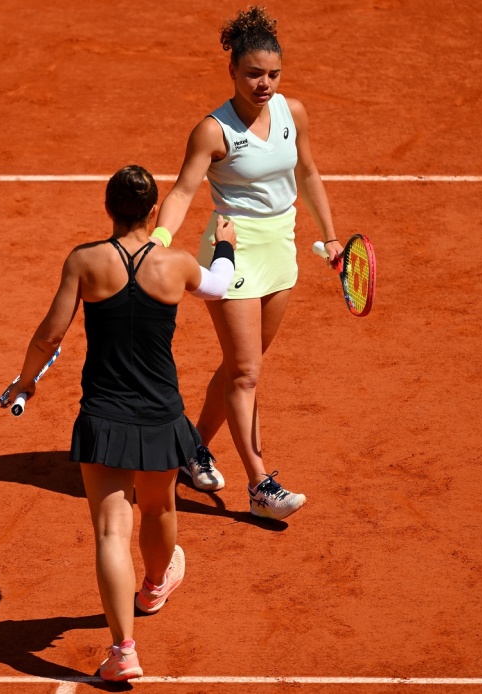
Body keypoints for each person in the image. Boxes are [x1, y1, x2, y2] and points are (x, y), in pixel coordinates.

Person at [2, 165, 237, 682]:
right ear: (153, 211)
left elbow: (49, 335)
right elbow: (220, 286)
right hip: (161, 414)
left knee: (112, 530)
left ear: (108, 208)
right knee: (158, 508)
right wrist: (224, 244)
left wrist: (25, 381)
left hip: (104, 416)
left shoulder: (84, 262)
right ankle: (155, 585)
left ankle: (123, 650)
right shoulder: (175, 264)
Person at [151, 6, 340, 520]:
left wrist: (331, 236)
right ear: (232, 71)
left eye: (273, 73)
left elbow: (308, 173)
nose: (265, 83)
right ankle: (260, 483)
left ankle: (188, 450)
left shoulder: (291, 112)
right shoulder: (213, 131)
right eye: (254, 73)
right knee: (247, 373)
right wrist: (159, 240)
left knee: (241, 368)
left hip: (282, 247)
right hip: (231, 250)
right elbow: (183, 191)